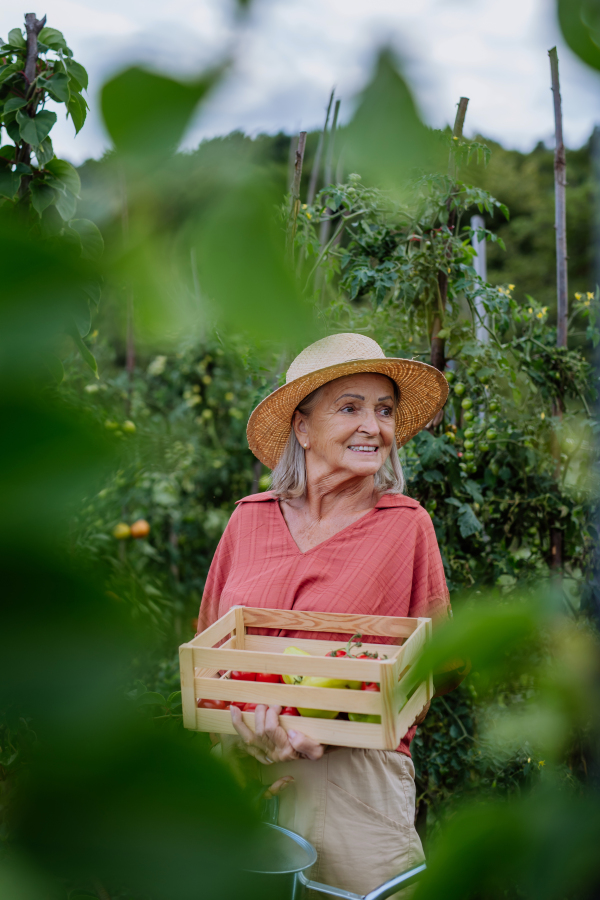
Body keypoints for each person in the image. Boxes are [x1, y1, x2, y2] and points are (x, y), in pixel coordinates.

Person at [197, 333, 466, 896]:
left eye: (385, 410)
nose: (374, 426)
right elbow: (209, 652)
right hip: (241, 775)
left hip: (354, 787)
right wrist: (250, 725)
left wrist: (334, 718)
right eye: (350, 408)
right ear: (302, 427)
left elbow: (440, 667)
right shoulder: (248, 521)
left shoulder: (404, 526)